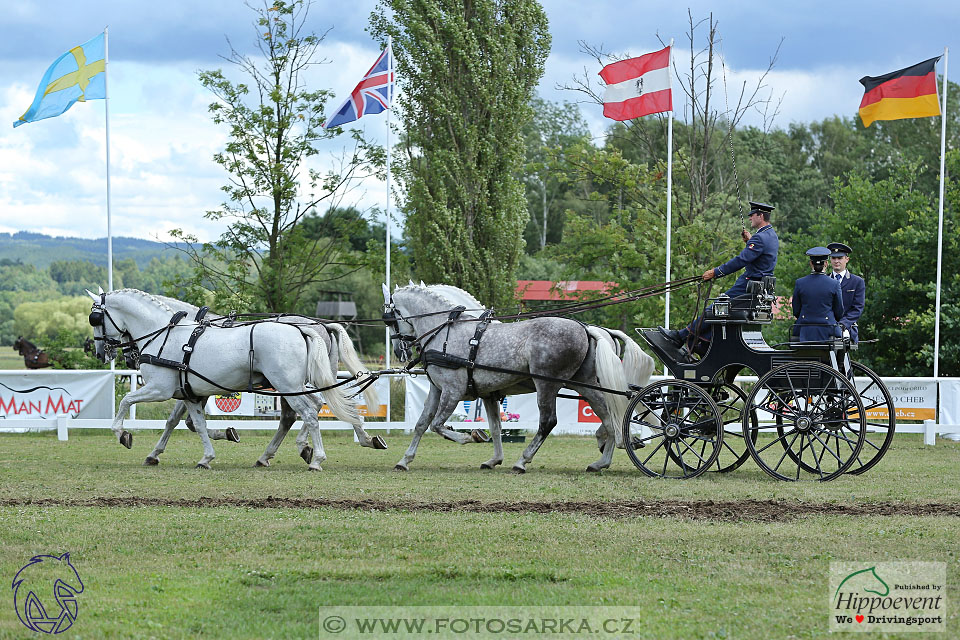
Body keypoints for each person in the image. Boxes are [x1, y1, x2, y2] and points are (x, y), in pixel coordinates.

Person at [658, 201, 779, 354]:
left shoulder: (759, 239)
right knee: (716, 310)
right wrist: (750, 242)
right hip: (758, 288)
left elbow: (740, 260)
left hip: (748, 285)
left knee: (714, 309)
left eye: (752, 216)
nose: (749, 219)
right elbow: (761, 257)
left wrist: (716, 272)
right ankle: (699, 341)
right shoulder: (771, 236)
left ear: (760, 216)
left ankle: (681, 337)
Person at [792, 247, 843, 343]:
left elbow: (796, 311)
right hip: (828, 329)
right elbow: (839, 311)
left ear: (811, 263)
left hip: (804, 329)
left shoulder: (800, 283)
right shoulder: (834, 284)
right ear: (826, 264)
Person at [826, 241, 865, 343]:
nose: (836, 261)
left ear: (847, 259)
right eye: (834, 258)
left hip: (847, 329)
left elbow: (857, 308)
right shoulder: (824, 280)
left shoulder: (857, 282)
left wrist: (842, 324)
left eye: (840, 258)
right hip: (825, 328)